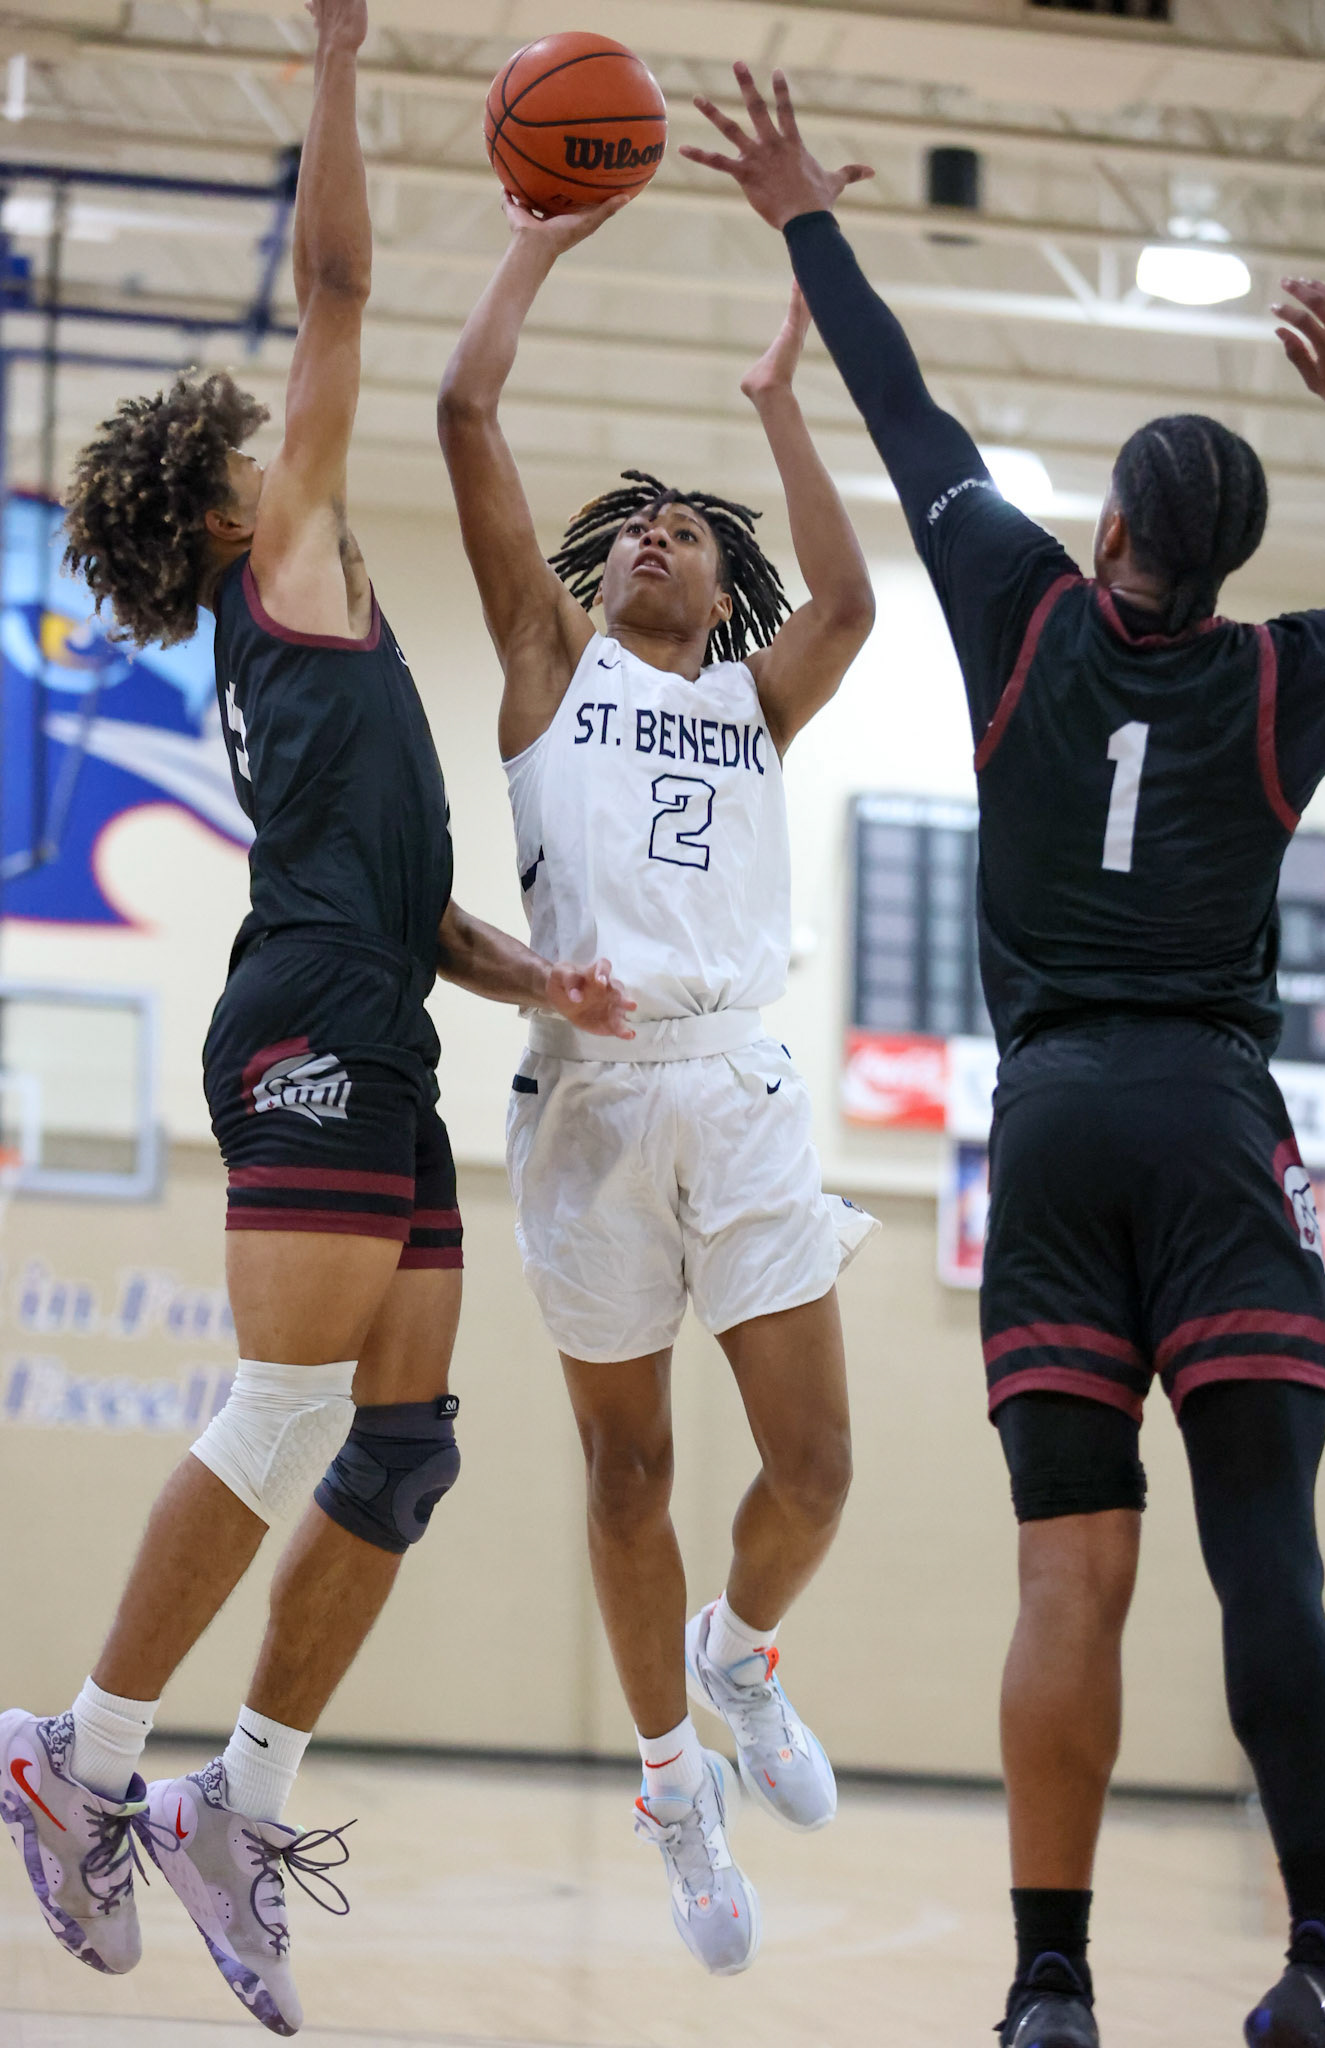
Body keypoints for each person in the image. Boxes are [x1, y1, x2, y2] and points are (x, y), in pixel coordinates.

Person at [688, 62, 1325, 2048]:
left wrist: (804, 211)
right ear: (1228, 560)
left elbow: (903, 414)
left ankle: (1046, 1988)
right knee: (1264, 1561)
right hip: (1210, 1123)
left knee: (1065, 1575)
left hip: (1046, 1131)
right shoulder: (1283, 677)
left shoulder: (1015, 612)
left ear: (1107, 526)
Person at [0, 2, 629, 2035]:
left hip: (371, 1007)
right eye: (261, 446)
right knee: (281, 1410)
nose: (294, 444)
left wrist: (528, 975)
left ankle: (229, 1802)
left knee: (405, 1441)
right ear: (219, 508)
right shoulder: (279, 560)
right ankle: (77, 1756)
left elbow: (391, 894)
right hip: (303, 1033)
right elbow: (340, 285)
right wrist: (343, 60)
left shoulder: (311, 651)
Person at [437, 189, 878, 1976]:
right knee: (629, 1479)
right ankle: (670, 1785)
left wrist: (781, 395)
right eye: (636, 529)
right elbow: (465, 419)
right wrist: (536, 238)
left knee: (820, 1465)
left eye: (689, 536)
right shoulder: (547, 674)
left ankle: (741, 1663)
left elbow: (847, 596)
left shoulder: (756, 708)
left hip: (744, 1086)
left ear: (716, 587)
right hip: (590, 1100)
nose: (656, 541)